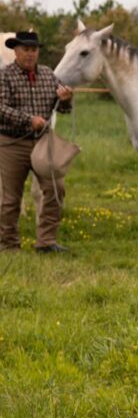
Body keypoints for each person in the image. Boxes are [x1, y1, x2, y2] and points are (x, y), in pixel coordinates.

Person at [0, 31, 74, 252]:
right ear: (16, 51)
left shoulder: (48, 75)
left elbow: (62, 108)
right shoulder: (4, 76)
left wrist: (66, 99)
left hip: (42, 142)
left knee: (55, 189)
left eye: (33, 50)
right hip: (12, 143)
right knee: (10, 198)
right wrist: (27, 120)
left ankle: (46, 241)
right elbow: (0, 107)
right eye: (25, 50)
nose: (30, 54)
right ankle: (8, 244)